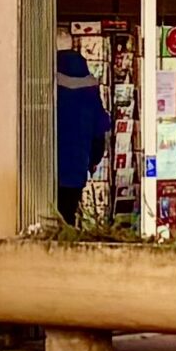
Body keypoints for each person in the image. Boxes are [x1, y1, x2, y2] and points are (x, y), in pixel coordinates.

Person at [56, 29, 111, 225]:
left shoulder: (46, 80)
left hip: (48, 168)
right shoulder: (89, 85)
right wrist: (93, 160)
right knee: (68, 219)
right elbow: (99, 130)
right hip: (77, 167)